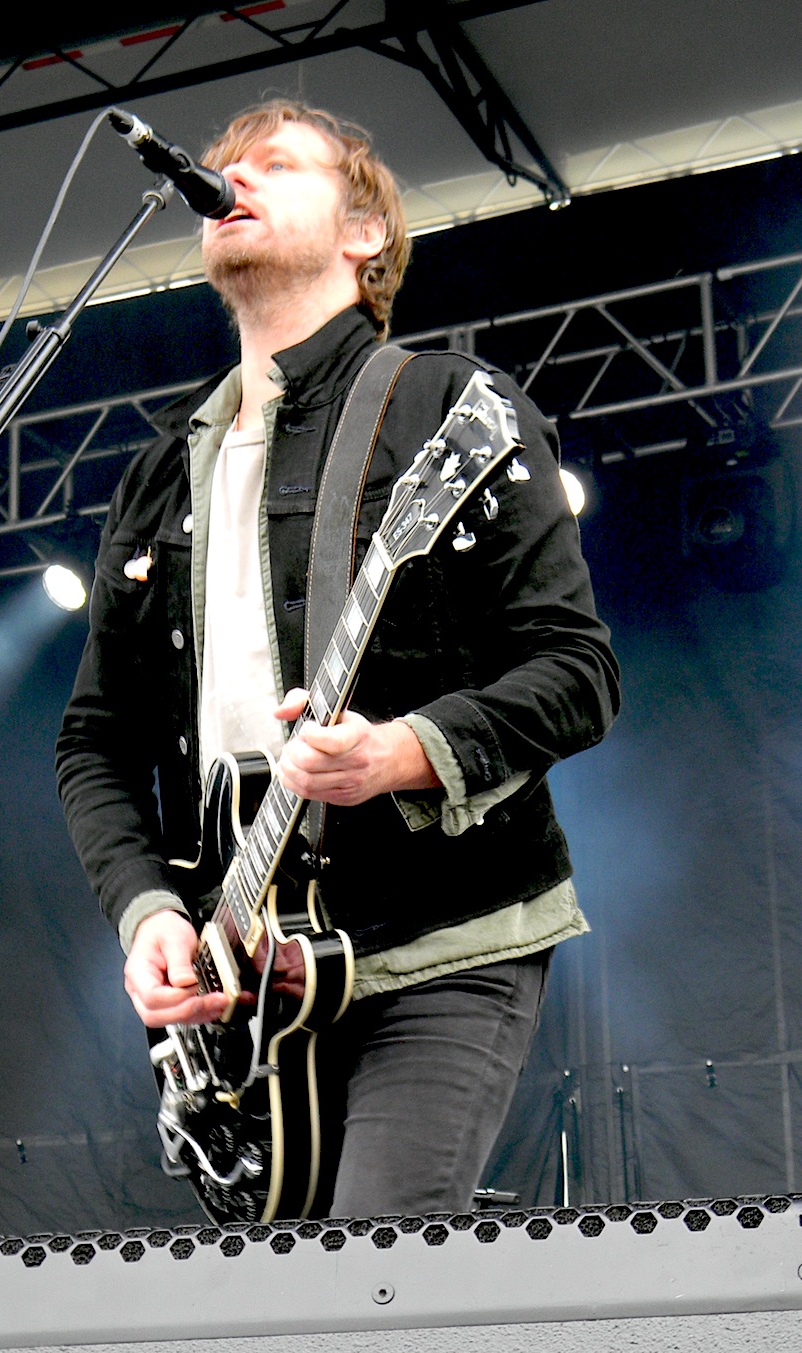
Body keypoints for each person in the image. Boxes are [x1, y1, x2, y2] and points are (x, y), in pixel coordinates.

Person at [55, 100, 620, 1220]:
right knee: (283, 1294)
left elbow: (577, 670)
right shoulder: (161, 474)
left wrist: (401, 751)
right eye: (222, 167)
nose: (231, 178)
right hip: (255, 976)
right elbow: (95, 741)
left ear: (364, 234)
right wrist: (151, 913)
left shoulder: (448, 409)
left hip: (440, 939)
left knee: (376, 1272)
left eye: (274, 164)